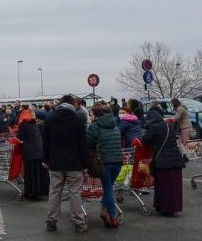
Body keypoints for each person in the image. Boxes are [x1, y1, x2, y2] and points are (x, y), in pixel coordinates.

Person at [42, 94, 89, 233]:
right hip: (74, 162)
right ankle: (78, 223)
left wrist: (46, 160)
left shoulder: (49, 119)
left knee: (55, 191)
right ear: (72, 104)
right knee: (75, 193)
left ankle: (51, 220)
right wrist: (85, 164)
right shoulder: (78, 119)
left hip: (55, 162)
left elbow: (46, 143)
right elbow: (82, 144)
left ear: (60, 104)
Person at [137, 108, 185, 216]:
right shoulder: (169, 125)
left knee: (164, 186)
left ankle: (166, 208)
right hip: (175, 158)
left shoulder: (154, 127)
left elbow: (145, 140)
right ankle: (172, 207)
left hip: (163, 160)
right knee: (174, 186)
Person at [86, 103, 123, 227]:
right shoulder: (115, 125)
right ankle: (105, 210)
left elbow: (88, 143)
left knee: (107, 189)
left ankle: (113, 217)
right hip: (118, 160)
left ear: (95, 115)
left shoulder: (94, 127)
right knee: (109, 188)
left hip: (104, 162)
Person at [15, 109, 48, 200]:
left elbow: (19, 138)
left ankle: (32, 192)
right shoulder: (34, 124)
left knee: (31, 173)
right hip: (39, 151)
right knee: (38, 172)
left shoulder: (23, 125)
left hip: (30, 152)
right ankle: (40, 191)